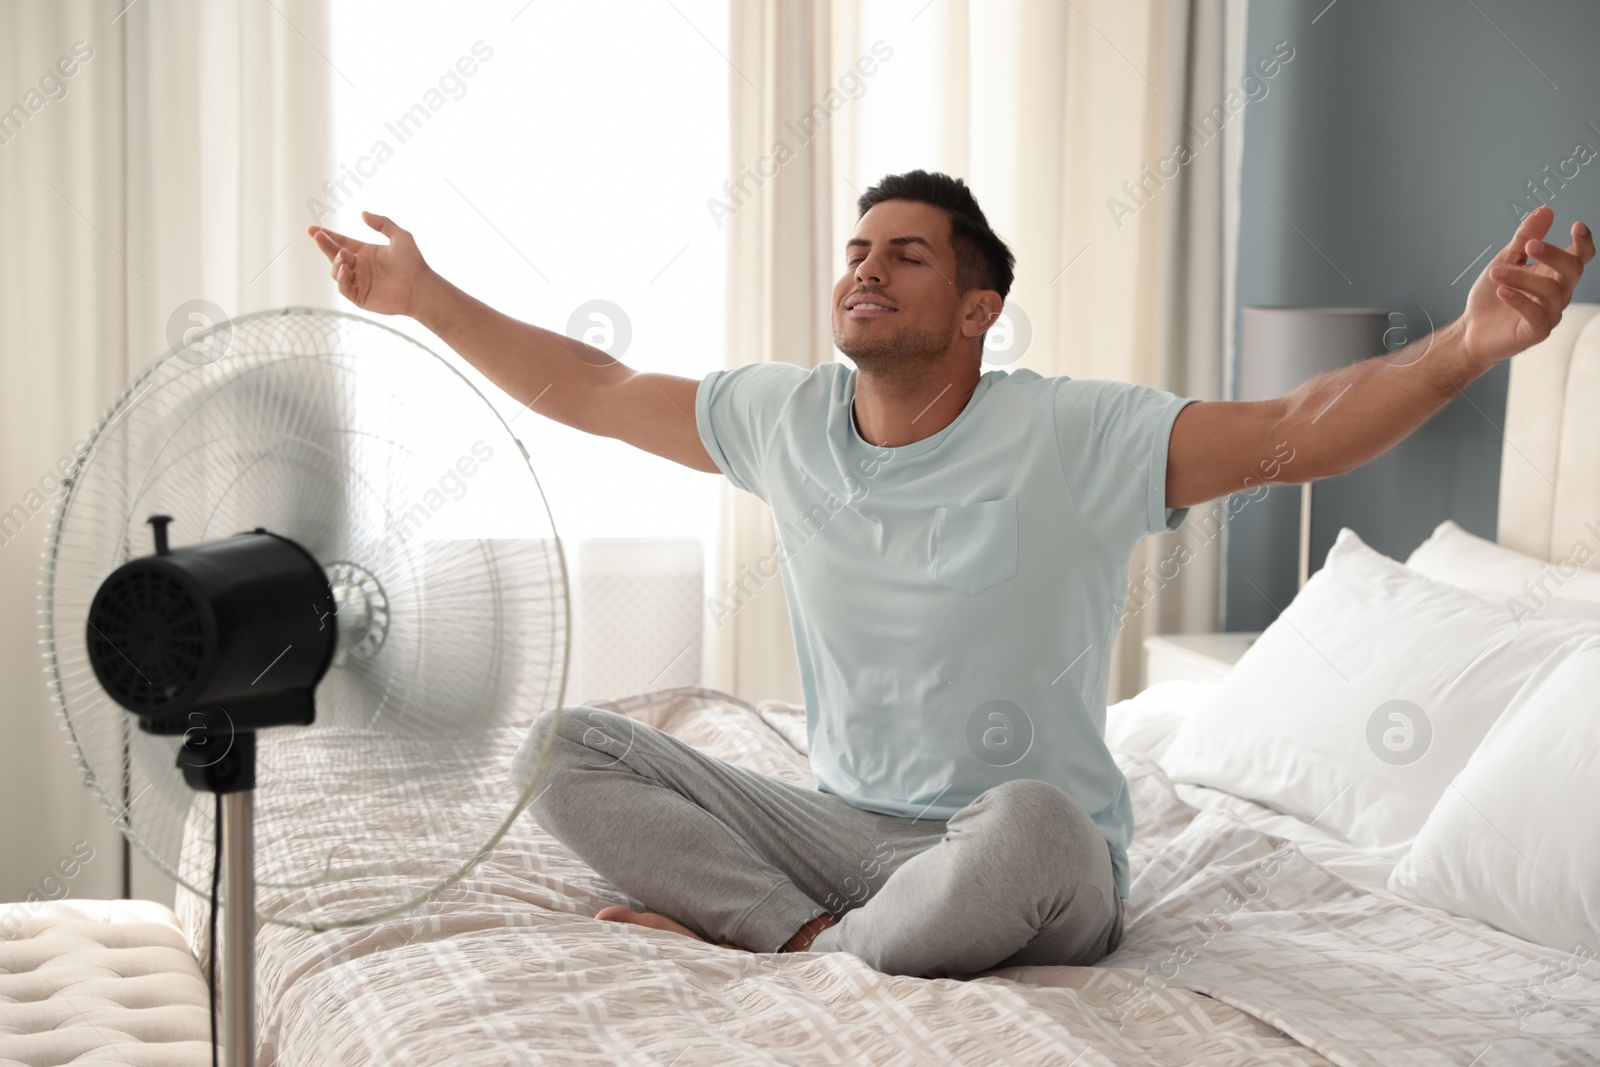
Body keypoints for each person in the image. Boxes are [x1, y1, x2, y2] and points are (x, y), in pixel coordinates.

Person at [308, 170, 1591, 979]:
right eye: (858, 249)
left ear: (978, 309)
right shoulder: (783, 415)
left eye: (906, 253)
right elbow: (587, 386)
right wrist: (426, 294)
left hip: (1022, 856)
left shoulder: (1077, 433)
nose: (866, 266)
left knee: (1035, 816)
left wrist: (1466, 348)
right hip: (842, 833)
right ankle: (813, 941)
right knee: (566, 745)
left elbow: (1296, 424)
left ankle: (800, 951)